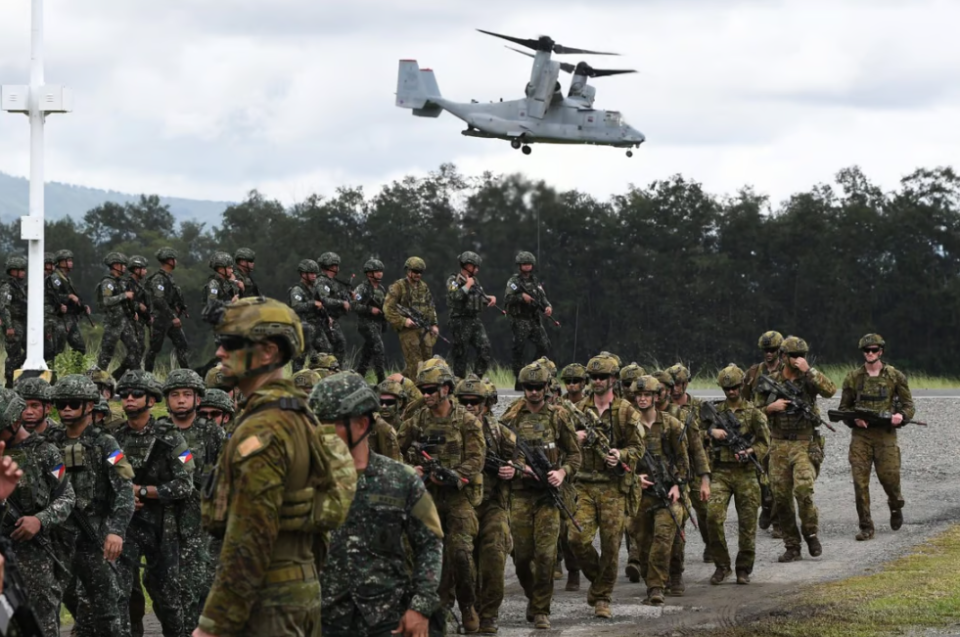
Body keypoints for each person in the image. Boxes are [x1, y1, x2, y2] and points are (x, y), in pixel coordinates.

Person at [195, 297, 357, 637]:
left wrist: (212, 626)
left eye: (230, 343)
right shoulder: (297, 415)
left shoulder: (263, 429)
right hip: (296, 591)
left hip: (267, 602)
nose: (220, 353)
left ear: (268, 352)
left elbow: (250, 540)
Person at [313, 371, 444, 637]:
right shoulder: (303, 480)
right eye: (316, 423)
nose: (320, 432)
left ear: (361, 425)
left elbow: (430, 543)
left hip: (386, 618)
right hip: (322, 618)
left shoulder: (402, 480)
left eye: (331, 423)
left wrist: (420, 606)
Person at [397, 361, 484, 632]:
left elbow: (476, 459)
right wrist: (411, 470)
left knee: (460, 554)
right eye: (423, 390)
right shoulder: (417, 420)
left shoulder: (466, 421)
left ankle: (467, 604)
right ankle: (438, 608)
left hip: (459, 497)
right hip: (427, 496)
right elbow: (394, 447)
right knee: (425, 554)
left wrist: (454, 475)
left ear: (446, 389)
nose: (426, 395)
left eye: (431, 389)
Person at [47, 374, 135, 636]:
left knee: (107, 611)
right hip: (58, 537)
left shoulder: (106, 443)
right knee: (66, 607)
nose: (65, 409)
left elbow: (125, 489)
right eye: (61, 404)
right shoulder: (50, 443)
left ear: (88, 406)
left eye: (73, 403)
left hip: (95, 536)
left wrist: (116, 531)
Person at [113, 369, 195, 637]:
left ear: (151, 400)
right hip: (126, 527)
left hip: (163, 528)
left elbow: (185, 484)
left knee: (167, 597)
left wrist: (144, 492)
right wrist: (125, 496)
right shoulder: (113, 439)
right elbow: (107, 479)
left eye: (137, 394)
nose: (130, 400)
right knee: (121, 595)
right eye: (125, 395)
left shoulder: (171, 437)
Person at [502, 362, 580, 630]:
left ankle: (541, 609)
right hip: (521, 495)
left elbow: (574, 454)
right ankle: (533, 595)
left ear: (547, 388)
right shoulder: (512, 418)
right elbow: (500, 451)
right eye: (528, 387)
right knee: (521, 556)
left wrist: (563, 472)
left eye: (538, 387)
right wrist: (515, 467)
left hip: (549, 496)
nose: (533, 392)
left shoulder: (558, 416)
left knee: (546, 555)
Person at [568, 354, 643, 618]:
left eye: (602, 377)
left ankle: (602, 597)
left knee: (611, 545)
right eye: (593, 377)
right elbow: (560, 444)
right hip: (584, 485)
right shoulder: (575, 409)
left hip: (613, 486)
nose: (597, 381)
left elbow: (638, 448)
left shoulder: (625, 410)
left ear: (613, 379)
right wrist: (574, 437)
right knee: (576, 538)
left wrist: (620, 455)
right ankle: (599, 581)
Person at [0, 387, 76, 636]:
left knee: (42, 624)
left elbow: (67, 496)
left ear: (13, 422)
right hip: (2, 554)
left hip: (34, 556)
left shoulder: (45, 453)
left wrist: (40, 520)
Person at [755, 336, 836, 562]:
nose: (797, 359)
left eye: (801, 355)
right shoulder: (769, 381)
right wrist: (770, 408)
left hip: (804, 442)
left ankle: (810, 532)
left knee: (803, 490)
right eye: (793, 356)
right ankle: (792, 545)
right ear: (783, 356)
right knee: (780, 497)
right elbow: (751, 414)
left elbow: (830, 390)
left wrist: (809, 370)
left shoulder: (808, 379)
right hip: (778, 443)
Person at [158, 368, 226, 629]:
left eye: (187, 394)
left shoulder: (212, 433)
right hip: (161, 521)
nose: (181, 400)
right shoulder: (158, 431)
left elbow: (227, 474)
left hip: (201, 523)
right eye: (175, 394)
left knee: (200, 589)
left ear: (198, 398)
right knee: (164, 591)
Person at [454, 374, 516, 633]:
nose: (469, 406)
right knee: (461, 561)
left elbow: (519, 460)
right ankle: (468, 608)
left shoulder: (499, 432)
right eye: (464, 401)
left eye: (474, 401)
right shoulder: (450, 430)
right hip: (459, 503)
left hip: (492, 503)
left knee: (493, 555)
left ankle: (489, 613)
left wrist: (512, 469)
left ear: (485, 404)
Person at [839, 334, 915, 541]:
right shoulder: (853, 378)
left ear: (880, 351)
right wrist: (854, 420)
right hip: (861, 437)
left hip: (886, 436)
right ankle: (866, 526)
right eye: (866, 350)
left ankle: (894, 504)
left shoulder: (895, 376)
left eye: (874, 350)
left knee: (890, 479)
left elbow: (909, 406)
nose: (870, 354)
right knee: (859, 482)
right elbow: (844, 408)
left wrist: (902, 416)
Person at [705, 365, 769, 585]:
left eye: (734, 387)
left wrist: (749, 451)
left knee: (748, 522)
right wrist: (712, 432)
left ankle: (743, 568)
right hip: (720, 471)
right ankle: (722, 565)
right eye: (726, 388)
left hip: (746, 472)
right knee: (713, 516)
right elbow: (697, 432)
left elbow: (764, 443)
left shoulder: (754, 413)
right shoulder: (715, 411)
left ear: (741, 385)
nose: (731, 392)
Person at [630, 376, 687, 605]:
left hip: (667, 493)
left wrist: (677, 486)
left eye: (647, 395)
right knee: (642, 544)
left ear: (656, 397)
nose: (643, 399)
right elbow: (617, 459)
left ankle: (656, 587)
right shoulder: (628, 425)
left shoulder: (671, 424)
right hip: (640, 495)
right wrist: (634, 479)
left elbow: (683, 459)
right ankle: (650, 580)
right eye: (639, 395)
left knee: (663, 541)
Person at [664, 363, 711, 595]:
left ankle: (710, 546)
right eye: (670, 385)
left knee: (704, 513)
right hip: (669, 475)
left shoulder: (698, 407)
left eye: (678, 385)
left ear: (686, 384)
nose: (674, 389)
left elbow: (701, 443)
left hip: (691, 470)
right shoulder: (659, 409)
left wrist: (705, 478)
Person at [743, 330, 784, 534]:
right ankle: (766, 505)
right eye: (765, 350)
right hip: (759, 434)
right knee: (760, 479)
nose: (768, 354)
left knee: (778, 479)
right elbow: (743, 404)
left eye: (772, 350)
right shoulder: (753, 373)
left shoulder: (788, 372)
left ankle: (778, 523)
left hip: (781, 433)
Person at [384, 257, 439, 380]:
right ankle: (416, 392)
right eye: (415, 271)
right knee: (415, 364)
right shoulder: (398, 286)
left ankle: (395, 382)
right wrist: (404, 321)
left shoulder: (423, 287)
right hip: (408, 330)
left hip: (423, 329)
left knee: (427, 363)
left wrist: (434, 324)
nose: (418, 274)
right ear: (408, 271)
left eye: (420, 272)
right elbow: (388, 309)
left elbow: (430, 306)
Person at [504, 252, 553, 390]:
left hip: (534, 319)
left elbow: (542, 297)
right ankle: (520, 378)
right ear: (519, 266)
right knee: (519, 350)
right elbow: (508, 298)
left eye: (529, 264)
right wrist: (521, 297)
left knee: (544, 346)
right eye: (524, 264)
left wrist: (548, 306)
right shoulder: (514, 281)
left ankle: (533, 372)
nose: (527, 267)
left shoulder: (535, 281)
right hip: (520, 319)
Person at [446, 251, 497, 379]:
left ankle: (476, 379)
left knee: (485, 348)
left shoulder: (475, 281)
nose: (477, 269)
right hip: (459, 320)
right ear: (467, 265)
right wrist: (467, 285)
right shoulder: (454, 280)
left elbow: (478, 298)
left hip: (474, 320)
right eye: (475, 266)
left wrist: (489, 298)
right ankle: (459, 381)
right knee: (461, 354)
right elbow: (455, 296)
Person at [96, 252, 142, 380]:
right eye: (122, 265)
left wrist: (133, 313)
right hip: (113, 323)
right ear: (115, 265)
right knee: (106, 354)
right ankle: (96, 381)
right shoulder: (108, 282)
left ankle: (136, 378)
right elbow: (107, 300)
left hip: (124, 321)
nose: (124, 268)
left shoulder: (120, 282)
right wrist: (124, 295)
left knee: (135, 348)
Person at [144, 247, 191, 371]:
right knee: (154, 349)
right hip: (160, 319)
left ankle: (187, 374)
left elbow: (170, 297)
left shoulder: (168, 277)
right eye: (174, 259)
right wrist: (173, 317)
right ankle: (146, 376)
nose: (176, 261)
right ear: (169, 260)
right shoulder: (158, 278)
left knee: (182, 345)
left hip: (169, 318)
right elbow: (158, 300)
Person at [288, 259, 332, 372]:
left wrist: (327, 317)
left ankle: (316, 379)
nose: (314, 276)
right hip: (303, 328)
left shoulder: (314, 289)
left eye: (315, 273)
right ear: (303, 274)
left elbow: (321, 305)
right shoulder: (297, 290)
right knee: (299, 359)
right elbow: (296, 307)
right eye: (311, 273)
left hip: (316, 326)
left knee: (325, 354)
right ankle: (297, 383)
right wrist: (312, 304)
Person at [353, 258, 389, 383]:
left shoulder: (381, 289)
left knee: (367, 353)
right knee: (378, 348)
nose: (380, 273)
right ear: (369, 273)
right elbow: (354, 305)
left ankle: (358, 378)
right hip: (366, 323)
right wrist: (369, 309)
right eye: (377, 271)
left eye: (381, 271)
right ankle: (381, 380)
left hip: (377, 324)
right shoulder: (362, 288)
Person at [51, 249, 91, 355]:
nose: (71, 263)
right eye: (68, 260)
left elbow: (74, 297)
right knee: (56, 350)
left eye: (71, 260)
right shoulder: (55, 277)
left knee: (80, 349)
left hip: (70, 318)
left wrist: (82, 307)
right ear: (61, 262)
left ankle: (76, 370)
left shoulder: (66, 278)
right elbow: (52, 296)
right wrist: (69, 296)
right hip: (60, 319)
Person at [316, 252, 352, 364]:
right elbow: (324, 300)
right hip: (323, 319)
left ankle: (335, 371)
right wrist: (342, 303)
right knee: (328, 348)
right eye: (335, 265)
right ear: (329, 266)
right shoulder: (322, 281)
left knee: (339, 344)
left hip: (331, 319)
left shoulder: (333, 283)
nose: (337, 268)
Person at [0, 255, 28, 387]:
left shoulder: (20, 287)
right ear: (13, 271)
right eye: (21, 269)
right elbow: (4, 307)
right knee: (13, 354)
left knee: (29, 351)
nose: (23, 272)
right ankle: (10, 384)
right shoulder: (7, 287)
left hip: (22, 323)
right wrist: (9, 327)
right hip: (14, 323)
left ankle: (18, 377)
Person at [124, 255, 153, 372]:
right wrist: (137, 306)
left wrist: (149, 318)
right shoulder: (127, 284)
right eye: (143, 268)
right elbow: (125, 300)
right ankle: (134, 373)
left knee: (140, 348)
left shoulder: (140, 286)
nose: (145, 271)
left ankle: (128, 373)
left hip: (140, 322)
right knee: (135, 348)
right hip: (131, 321)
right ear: (136, 270)